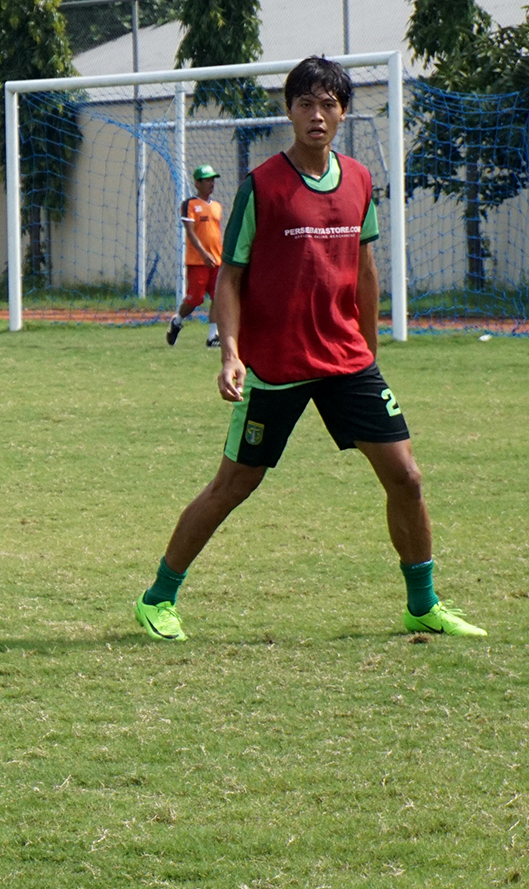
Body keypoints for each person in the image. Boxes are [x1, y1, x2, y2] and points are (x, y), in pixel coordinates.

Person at [134, 56, 486, 643]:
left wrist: (370, 351)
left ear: (343, 112)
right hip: (276, 366)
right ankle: (157, 599)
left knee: (407, 478)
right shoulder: (261, 186)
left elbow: (365, 268)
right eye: (305, 104)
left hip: (348, 361)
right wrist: (231, 355)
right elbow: (230, 276)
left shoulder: (359, 180)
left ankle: (422, 604)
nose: (316, 115)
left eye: (328, 104)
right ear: (289, 110)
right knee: (234, 485)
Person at [167, 164, 223, 347]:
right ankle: (177, 320)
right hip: (198, 261)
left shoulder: (216, 206)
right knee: (195, 298)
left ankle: (213, 336)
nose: (211, 183)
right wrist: (204, 253)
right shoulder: (189, 204)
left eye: (213, 180)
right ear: (197, 183)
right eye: (207, 180)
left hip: (217, 259)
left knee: (219, 297)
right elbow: (190, 233)